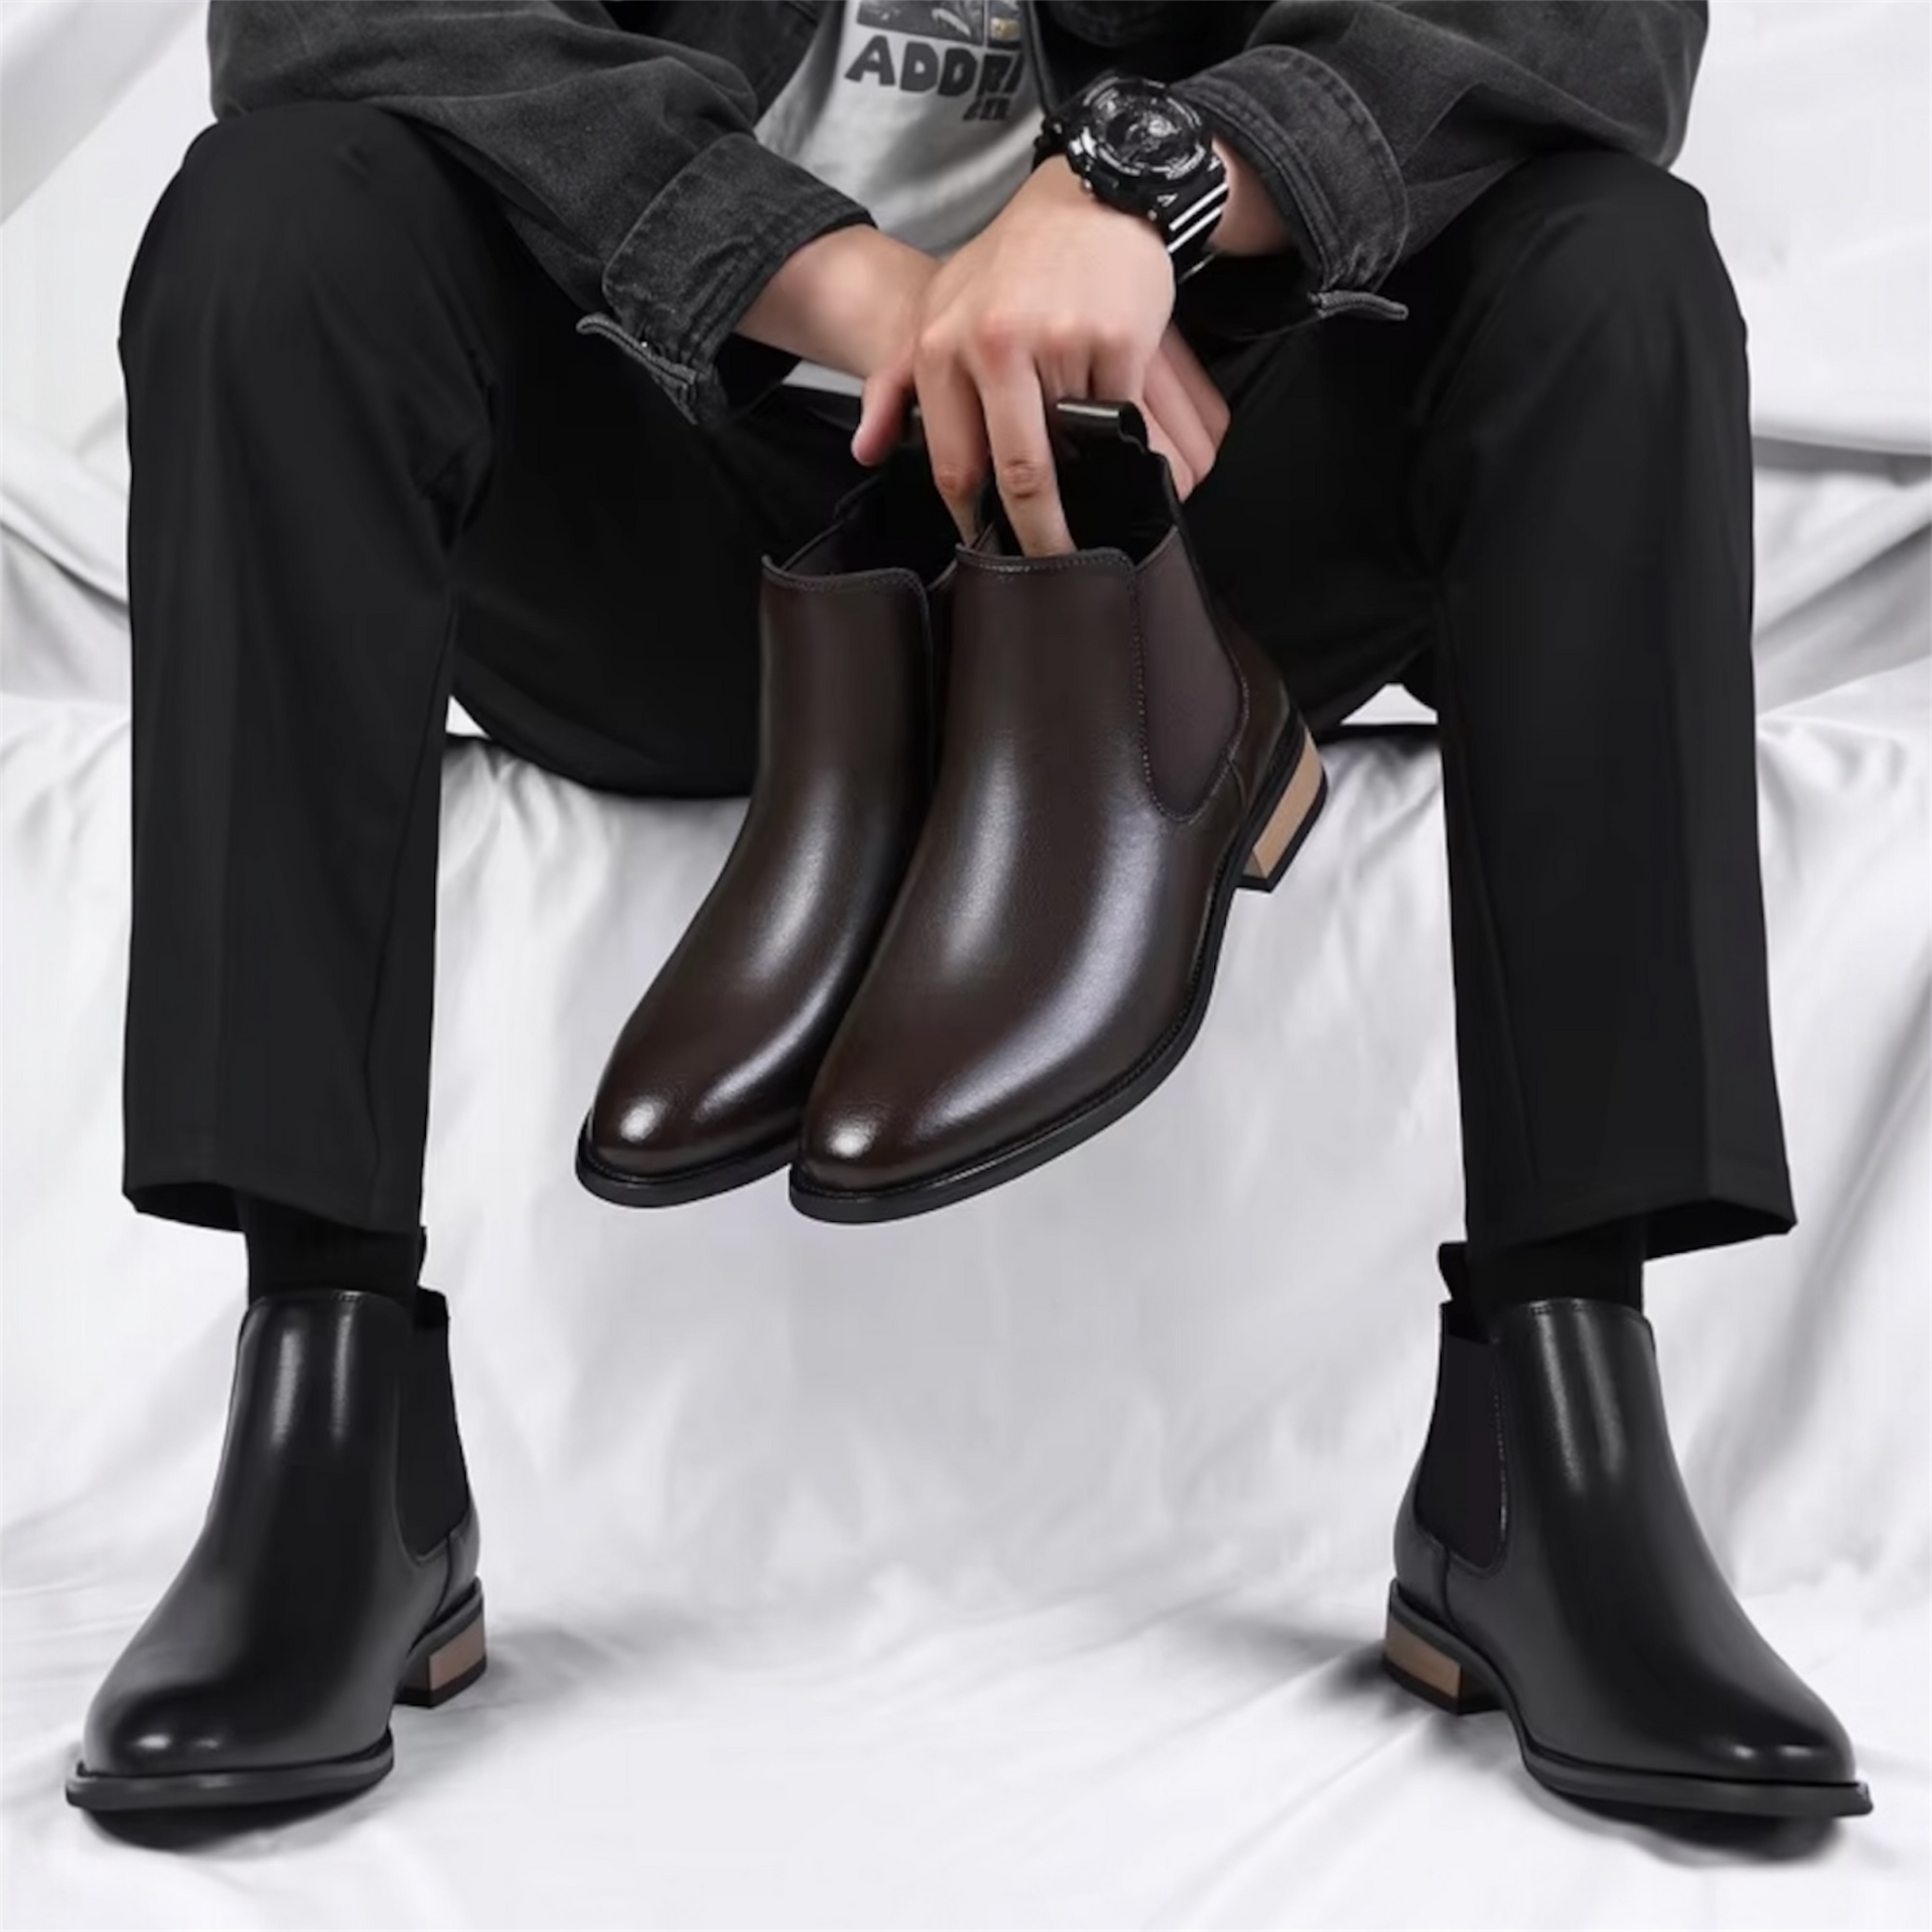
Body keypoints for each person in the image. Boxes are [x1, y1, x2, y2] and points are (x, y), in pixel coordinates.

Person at [66, 0, 1871, 1823]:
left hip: (1182, 491)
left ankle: (1548, 1467)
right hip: (671, 497)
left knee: (1612, 267)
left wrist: (1157, 184)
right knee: (273, 226)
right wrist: (833, 276)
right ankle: (333, 1448)